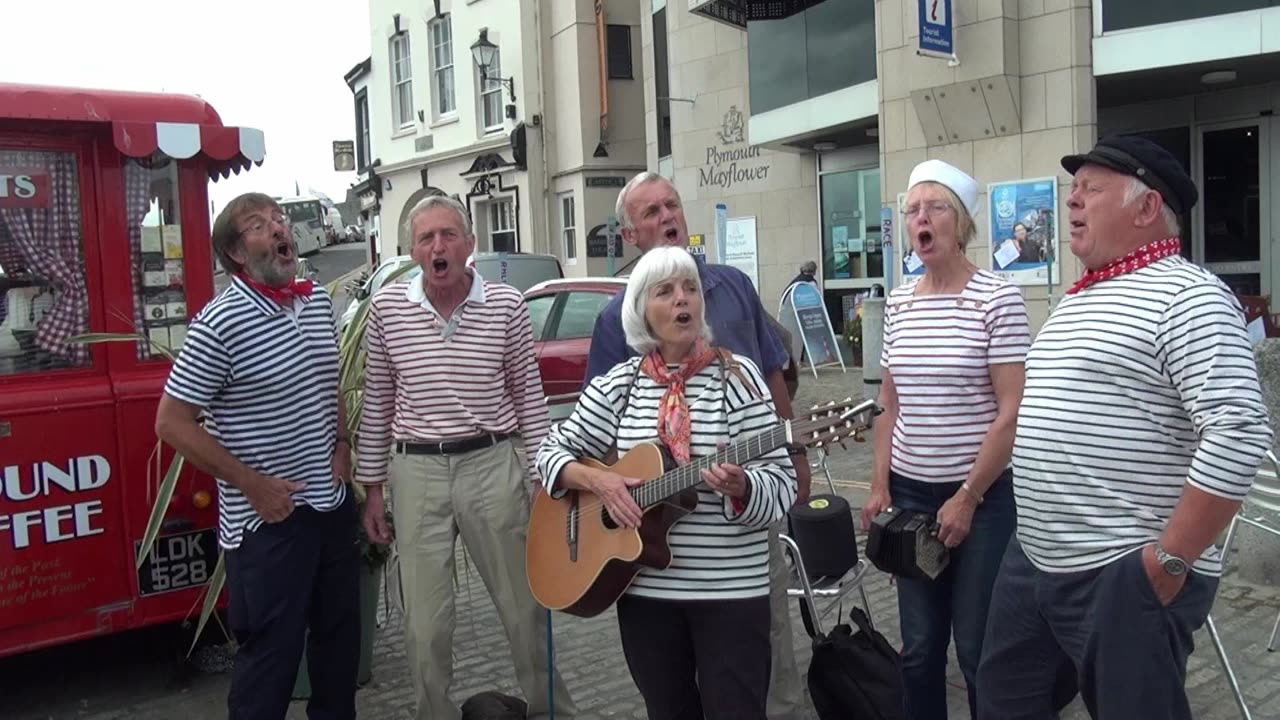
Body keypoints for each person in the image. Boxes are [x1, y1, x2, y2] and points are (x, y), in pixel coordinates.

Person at [976, 136, 1274, 719]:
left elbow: (1238, 429)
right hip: (1033, 558)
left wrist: (1169, 560)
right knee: (1003, 699)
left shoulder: (1189, 296)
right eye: (1073, 190)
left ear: (1145, 209)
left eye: (1091, 189)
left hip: (1122, 571)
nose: (1072, 202)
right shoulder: (1080, 295)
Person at [584, 171, 810, 719]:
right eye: (651, 212)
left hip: (732, 569)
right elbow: (582, 447)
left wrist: (773, 465)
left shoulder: (734, 296)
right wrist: (609, 485)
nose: (667, 218)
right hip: (649, 568)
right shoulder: (617, 346)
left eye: (672, 205)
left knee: (758, 677)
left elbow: (776, 377)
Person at [539, 246, 798, 720]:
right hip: (646, 594)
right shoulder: (618, 387)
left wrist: (744, 488)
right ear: (642, 310)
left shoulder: (739, 381)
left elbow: (781, 485)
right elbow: (549, 454)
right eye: (666, 291)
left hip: (731, 594)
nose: (684, 300)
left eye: (691, 289)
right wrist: (600, 483)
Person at [357, 195, 576, 720]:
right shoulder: (387, 309)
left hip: (491, 465)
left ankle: (554, 713)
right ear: (411, 250)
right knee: (425, 625)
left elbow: (527, 394)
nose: (438, 246)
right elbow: (378, 400)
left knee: (525, 609)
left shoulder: (505, 305)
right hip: (417, 472)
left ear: (470, 245)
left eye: (448, 235)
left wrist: (542, 475)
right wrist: (372, 490)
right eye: (426, 238)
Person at [155, 192, 359, 720]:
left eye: (279, 220)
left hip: (330, 507)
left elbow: (330, 380)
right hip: (269, 522)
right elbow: (171, 422)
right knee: (270, 663)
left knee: (338, 650)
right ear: (236, 252)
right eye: (259, 225)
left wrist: (341, 443)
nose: (277, 229)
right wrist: (251, 484)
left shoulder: (314, 301)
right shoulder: (218, 324)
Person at [859, 160, 1029, 720]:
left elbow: (1011, 412)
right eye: (912, 210)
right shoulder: (900, 304)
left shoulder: (997, 298)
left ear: (960, 223)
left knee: (978, 647)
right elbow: (890, 403)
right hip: (910, 494)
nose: (921, 218)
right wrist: (880, 482)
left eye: (935, 208)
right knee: (920, 647)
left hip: (980, 500)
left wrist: (969, 496)